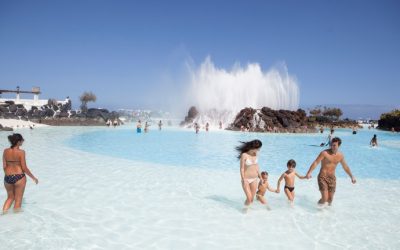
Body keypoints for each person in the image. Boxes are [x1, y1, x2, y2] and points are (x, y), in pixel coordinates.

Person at [306, 137, 356, 206]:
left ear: (339, 145)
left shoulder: (340, 155)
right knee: (325, 198)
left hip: (332, 178)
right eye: (331, 145)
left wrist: (351, 176)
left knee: (330, 200)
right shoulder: (324, 153)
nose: (332, 147)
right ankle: (316, 209)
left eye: (334, 145)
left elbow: (345, 167)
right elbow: (316, 162)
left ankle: (328, 213)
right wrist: (309, 172)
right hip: (322, 177)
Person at [3, 133, 38, 213]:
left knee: (10, 198)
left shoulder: (5, 151)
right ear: (18, 142)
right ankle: (16, 222)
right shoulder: (21, 152)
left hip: (7, 178)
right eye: (22, 140)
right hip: (19, 177)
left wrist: (9, 175)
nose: (23, 141)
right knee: (18, 200)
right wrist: (33, 177)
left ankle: (3, 216)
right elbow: (24, 168)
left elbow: (4, 166)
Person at [236, 139, 263, 207]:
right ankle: (244, 212)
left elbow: (256, 166)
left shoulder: (255, 154)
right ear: (254, 148)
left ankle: (247, 212)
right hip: (246, 179)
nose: (259, 150)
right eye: (258, 148)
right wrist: (243, 179)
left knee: (251, 200)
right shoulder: (244, 155)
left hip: (254, 179)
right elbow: (242, 169)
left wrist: (260, 177)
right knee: (249, 198)